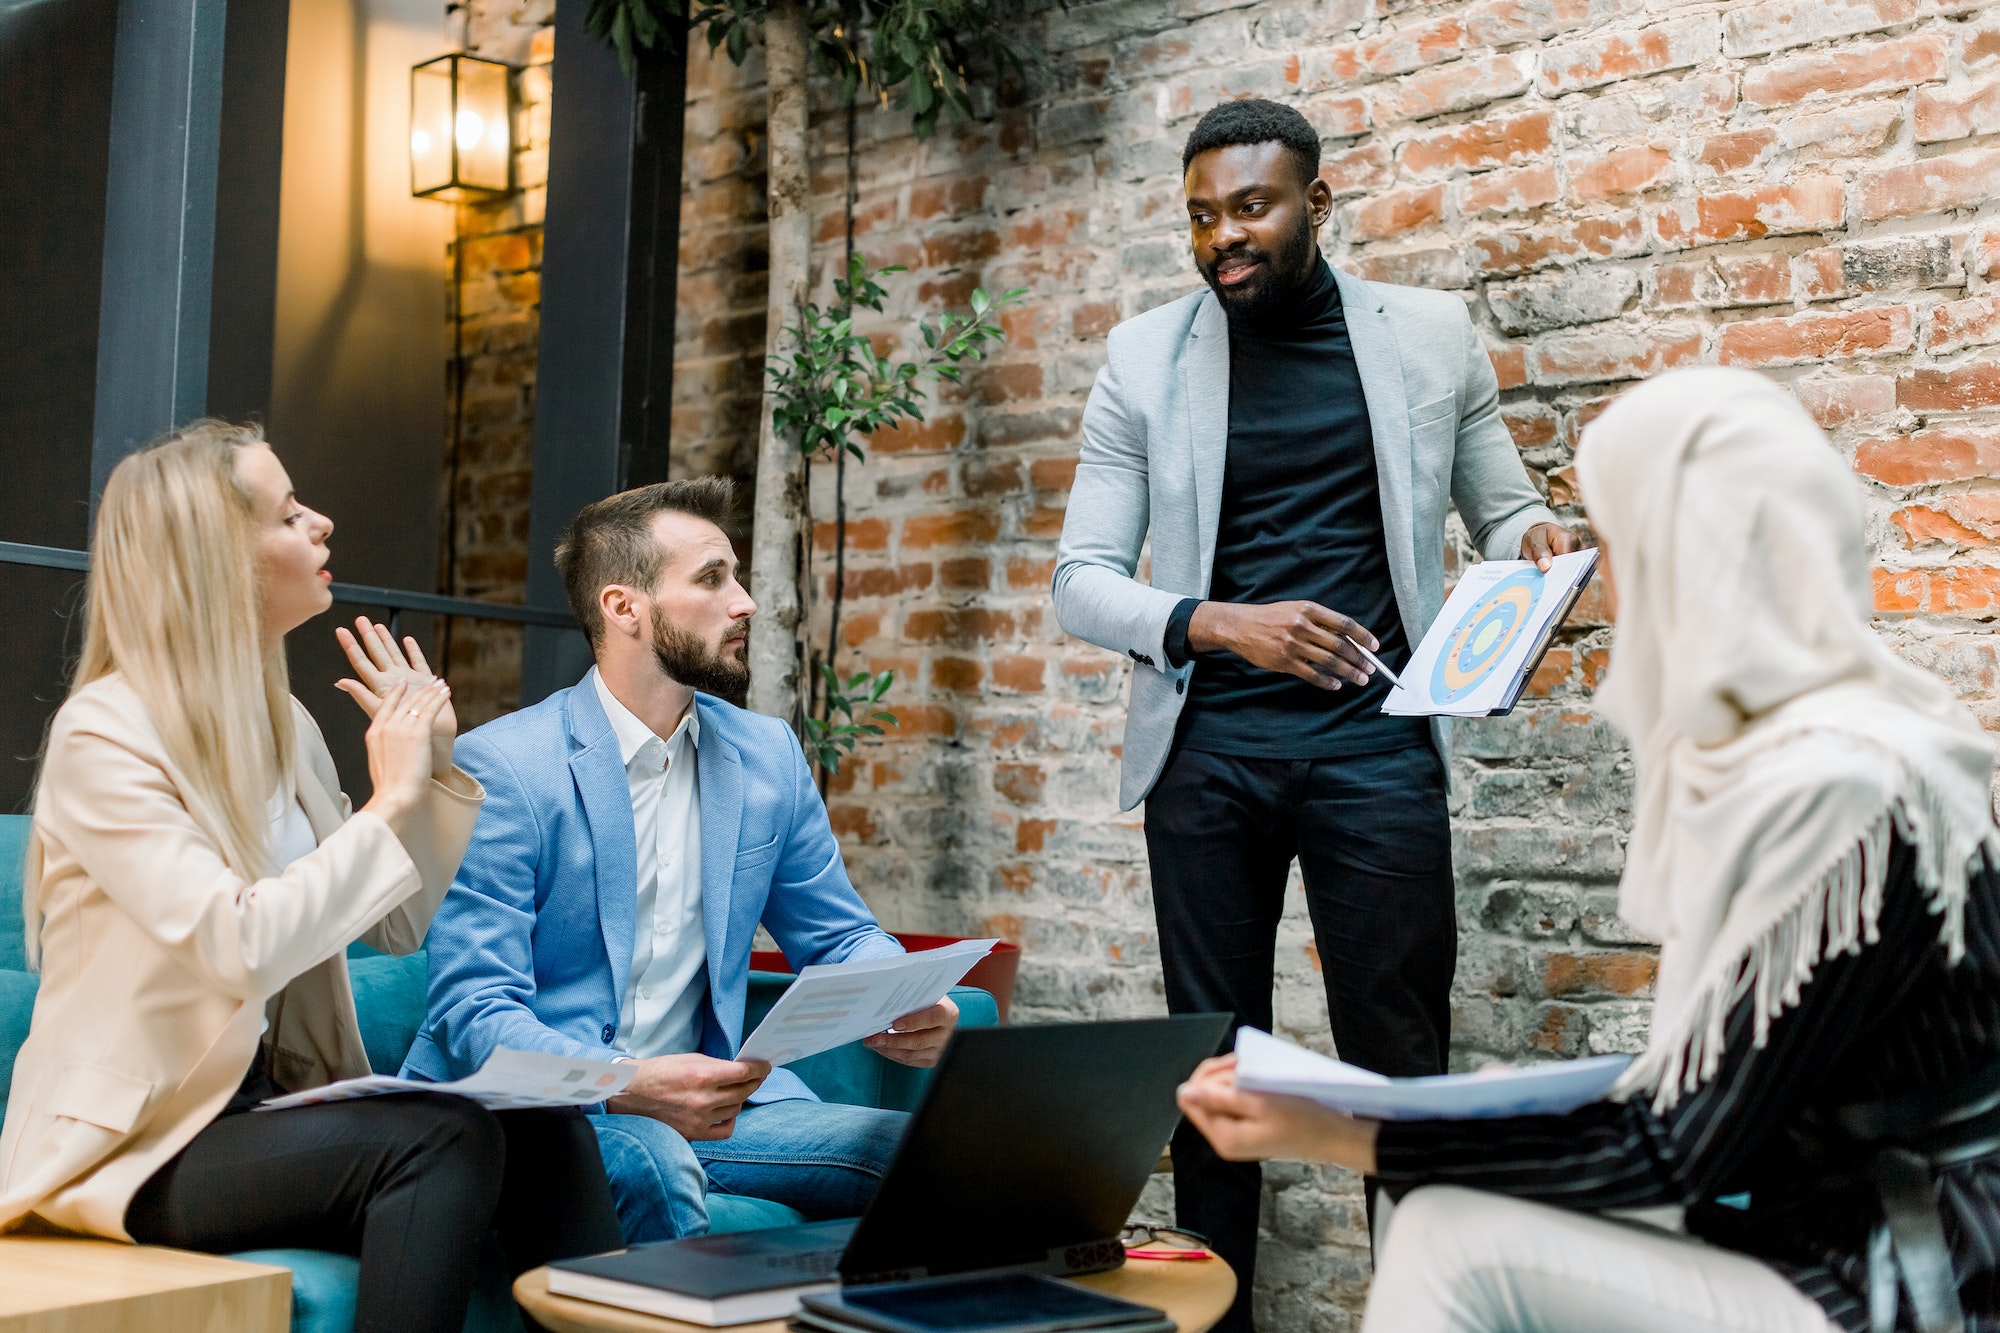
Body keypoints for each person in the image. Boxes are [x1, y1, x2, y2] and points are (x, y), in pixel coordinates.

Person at [1177, 367, 2000, 1333]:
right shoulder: (1817, 739)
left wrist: (1349, 1129)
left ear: (1689, 554)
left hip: (1899, 1266)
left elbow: (1678, 1149)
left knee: (1448, 1228)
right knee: (1442, 1202)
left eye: (1616, 544)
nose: (1607, 584)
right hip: (1794, 1221)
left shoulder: (1838, 786)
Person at [1050, 96, 1579, 1327]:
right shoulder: (1142, 357)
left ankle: (1419, 1311)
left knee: (1397, 1067)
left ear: (1314, 203)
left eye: (1248, 207)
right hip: (1209, 756)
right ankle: (1214, 1323)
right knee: (1216, 1068)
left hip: (1376, 746)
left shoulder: (1430, 337)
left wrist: (1531, 537)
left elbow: (1501, 507)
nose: (1220, 237)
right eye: (1199, 217)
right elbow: (1081, 580)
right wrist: (1223, 620)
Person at [0, 422, 623, 1333]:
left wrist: (433, 780)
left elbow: (399, 925)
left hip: (263, 1105)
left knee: (546, 1129)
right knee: (438, 1141)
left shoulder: (282, 722)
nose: (323, 523)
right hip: (137, 1144)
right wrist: (387, 801)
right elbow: (237, 944)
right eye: (291, 515)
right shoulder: (107, 733)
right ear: (218, 555)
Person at [407, 477, 957, 1242]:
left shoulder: (766, 756)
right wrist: (628, 1083)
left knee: (938, 1153)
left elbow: (837, 936)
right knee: (653, 1161)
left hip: (717, 1107)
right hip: (547, 1114)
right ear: (623, 607)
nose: (745, 603)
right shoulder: (507, 768)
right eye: (711, 578)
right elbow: (474, 1012)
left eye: (735, 575)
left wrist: (903, 992)